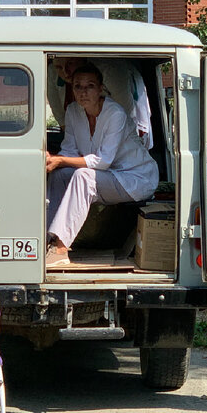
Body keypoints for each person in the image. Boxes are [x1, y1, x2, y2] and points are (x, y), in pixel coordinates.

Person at [45, 63, 158, 267]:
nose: (83, 92)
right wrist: (50, 160)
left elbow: (103, 161)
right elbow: (69, 149)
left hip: (135, 178)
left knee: (83, 177)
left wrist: (60, 161)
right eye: (78, 86)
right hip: (107, 177)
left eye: (89, 86)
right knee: (60, 175)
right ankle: (47, 239)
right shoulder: (72, 111)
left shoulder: (115, 114)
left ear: (100, 88)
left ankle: (61, 250)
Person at [49, 56, 153, 149]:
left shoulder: (110, 70)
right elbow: (61, 118)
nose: (65, 72)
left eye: (70, 63)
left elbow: (126, 113)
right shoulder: (71, 109)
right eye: (59, 67)